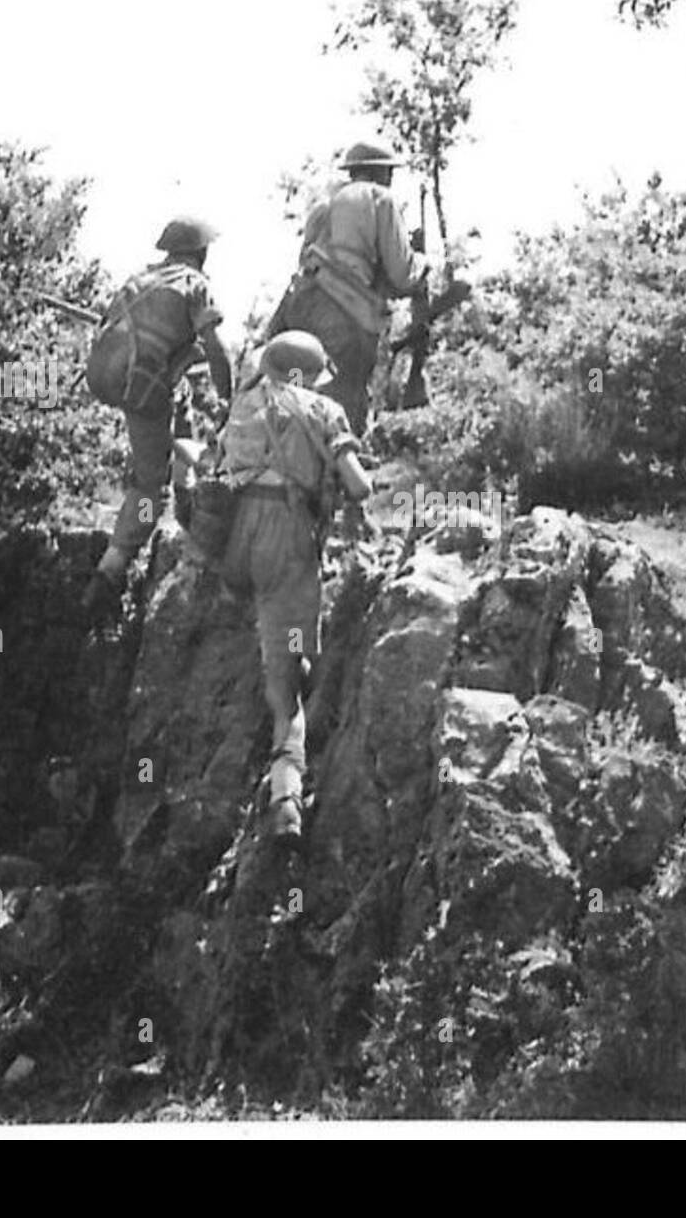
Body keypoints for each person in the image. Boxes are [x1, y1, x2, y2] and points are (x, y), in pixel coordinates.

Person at [214, 330, 372, 842]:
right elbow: (359, 484)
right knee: (286, 692)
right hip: (287, 545)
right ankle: (286, 796)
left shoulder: (243, 405)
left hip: (235, 544)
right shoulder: (324, 410)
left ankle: (287, 651)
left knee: (283, 637)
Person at [82, 218, 235, 619]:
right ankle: (112, 568)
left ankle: (187, 510)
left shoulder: (141, 279)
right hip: (141, 385)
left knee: (176, 410)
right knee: (151, 487)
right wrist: (229, 399)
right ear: (201, 252)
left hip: (107, 375)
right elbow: (216, 350)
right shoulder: (193, 284)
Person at [270, 141, 429, 435]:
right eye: (389, 173)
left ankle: (294, 457)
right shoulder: (379, 198)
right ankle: (342, 468)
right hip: (344, 313)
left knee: (299, 385)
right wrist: (422, 263)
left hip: (300, 309)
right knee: (344, 393)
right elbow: (402, 274)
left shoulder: (324, 203)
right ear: (379, 173)